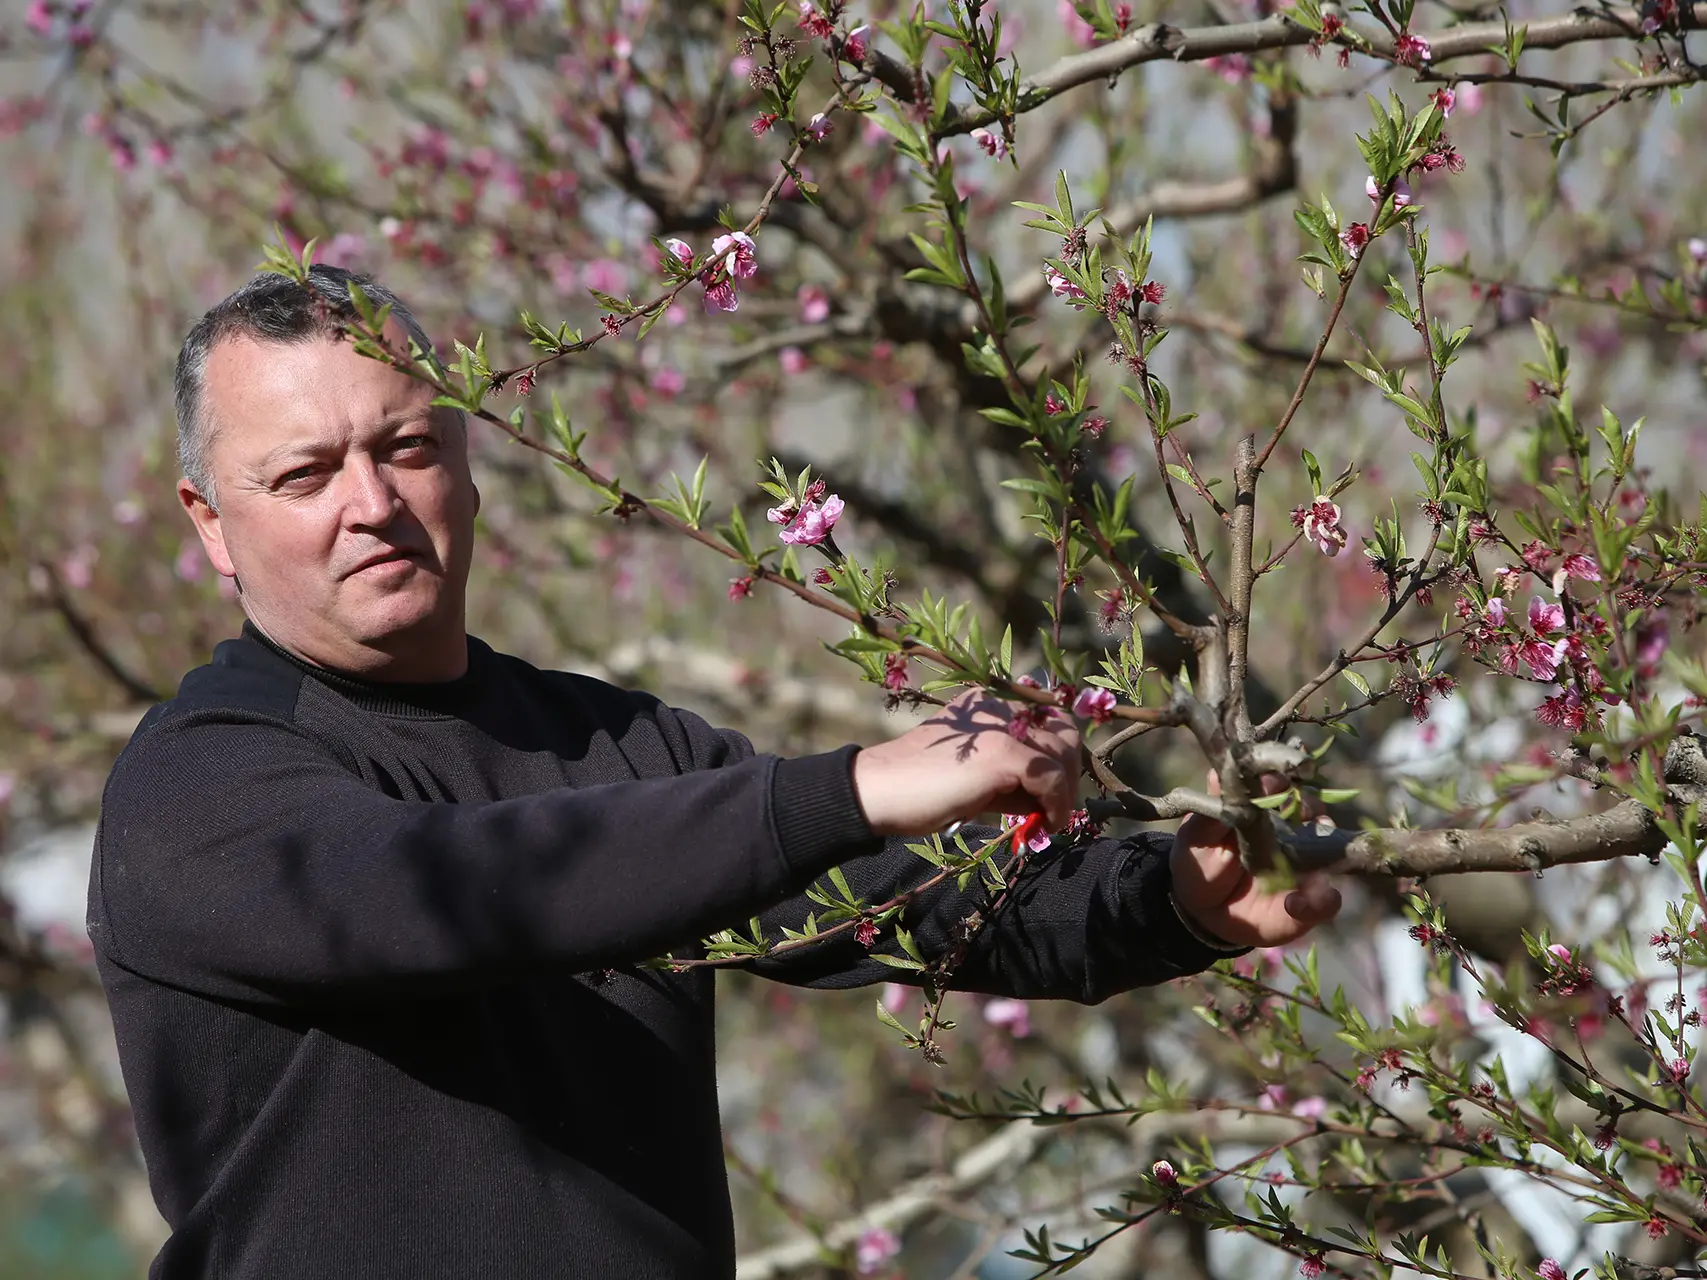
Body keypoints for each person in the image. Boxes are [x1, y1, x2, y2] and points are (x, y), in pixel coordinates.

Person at [88, 266, 1341, 1279]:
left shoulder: (615, 747)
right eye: (303, 473)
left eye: (405, 445)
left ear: (465, 460)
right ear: (211, 518)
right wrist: (839, 787)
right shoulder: (196, 786)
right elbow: (446, 890)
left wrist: (1175, 896)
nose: (370, 501)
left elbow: (932, 906)